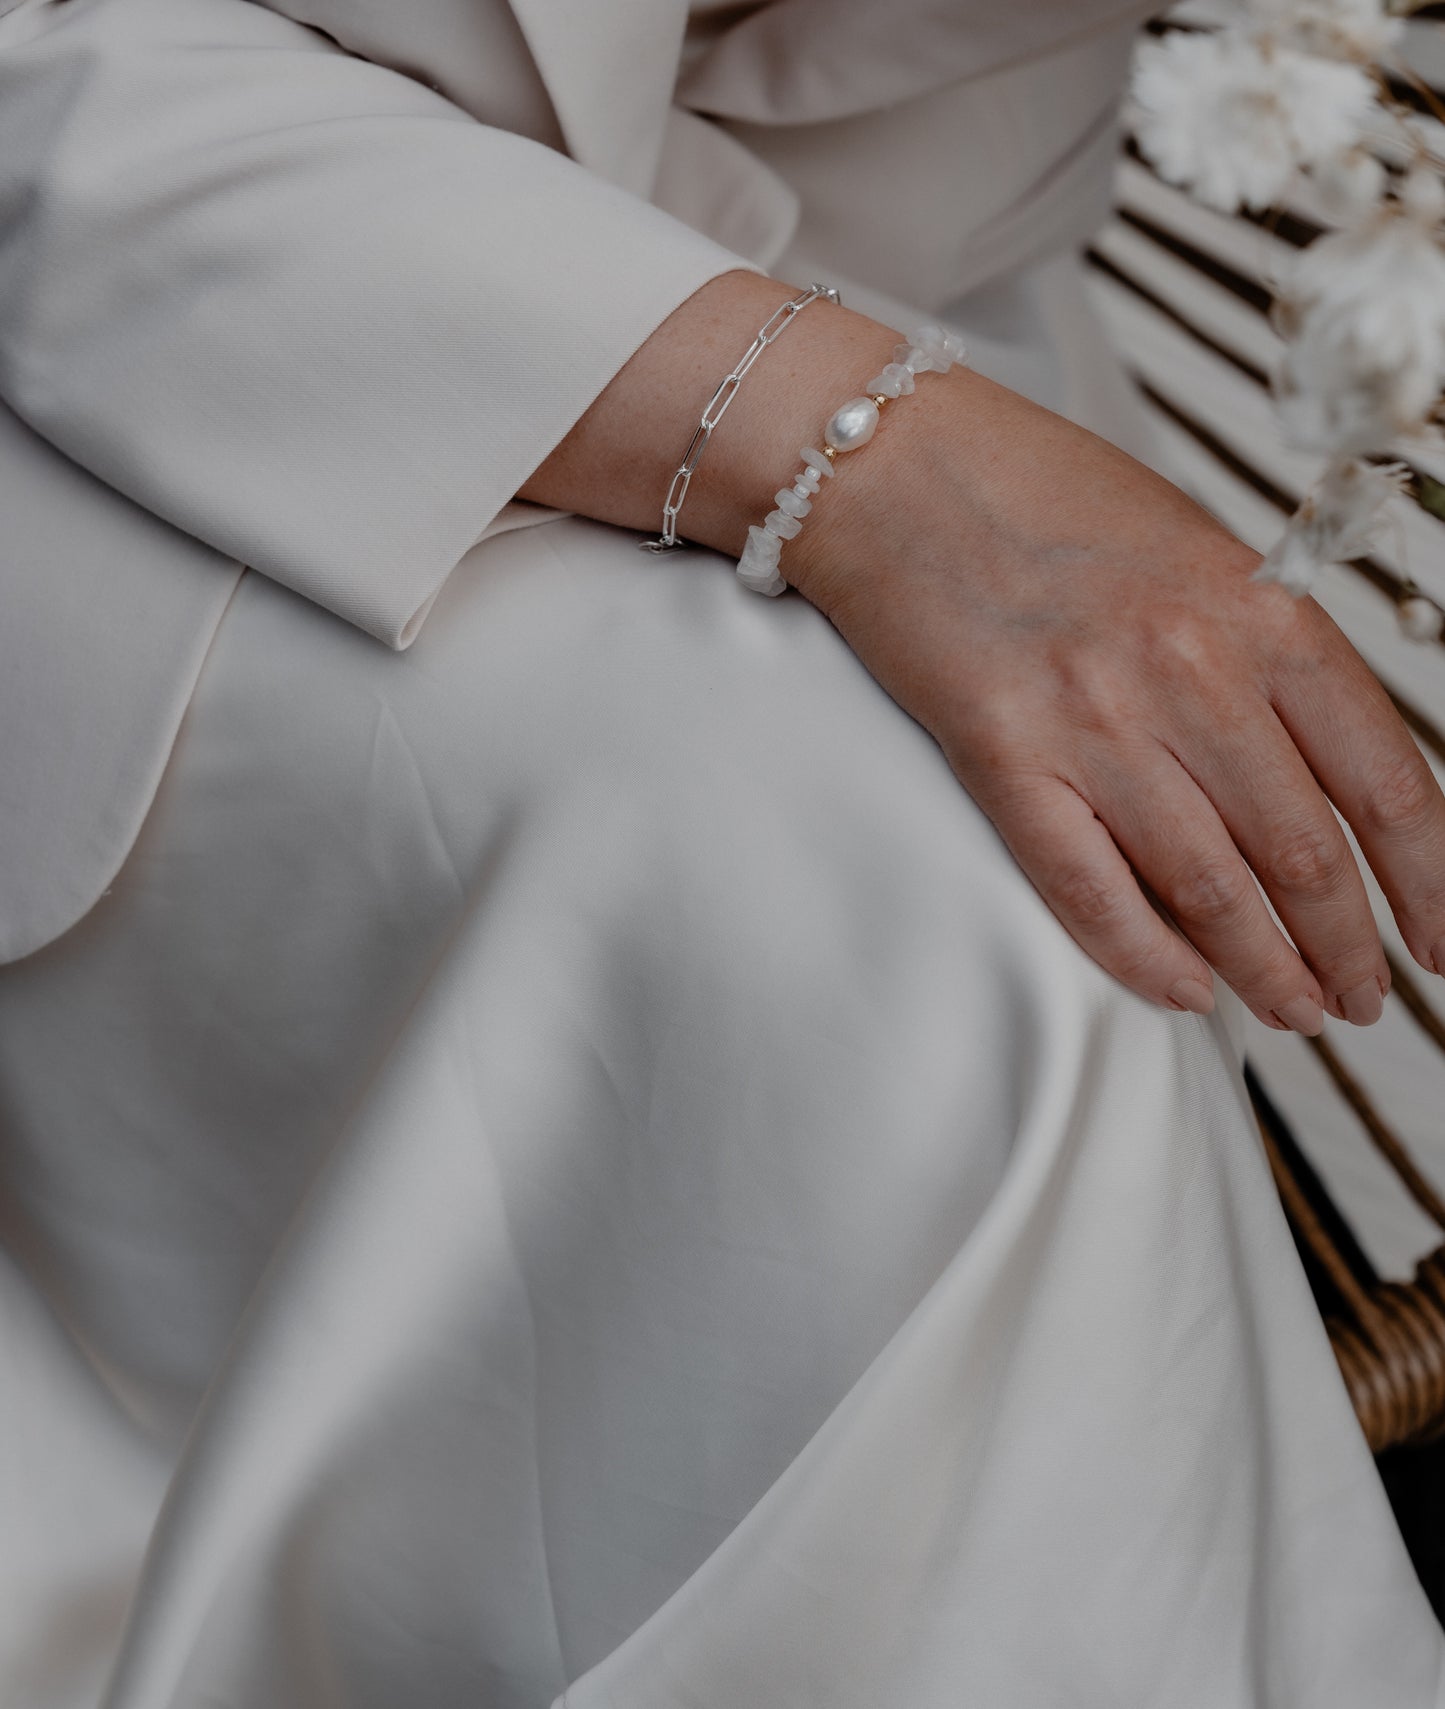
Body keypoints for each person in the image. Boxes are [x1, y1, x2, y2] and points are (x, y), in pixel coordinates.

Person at [1, 1, 1442, 1705]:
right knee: (899, 902)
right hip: (118, 326)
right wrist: (870, 455)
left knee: (1002, 861)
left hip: (891, 282)